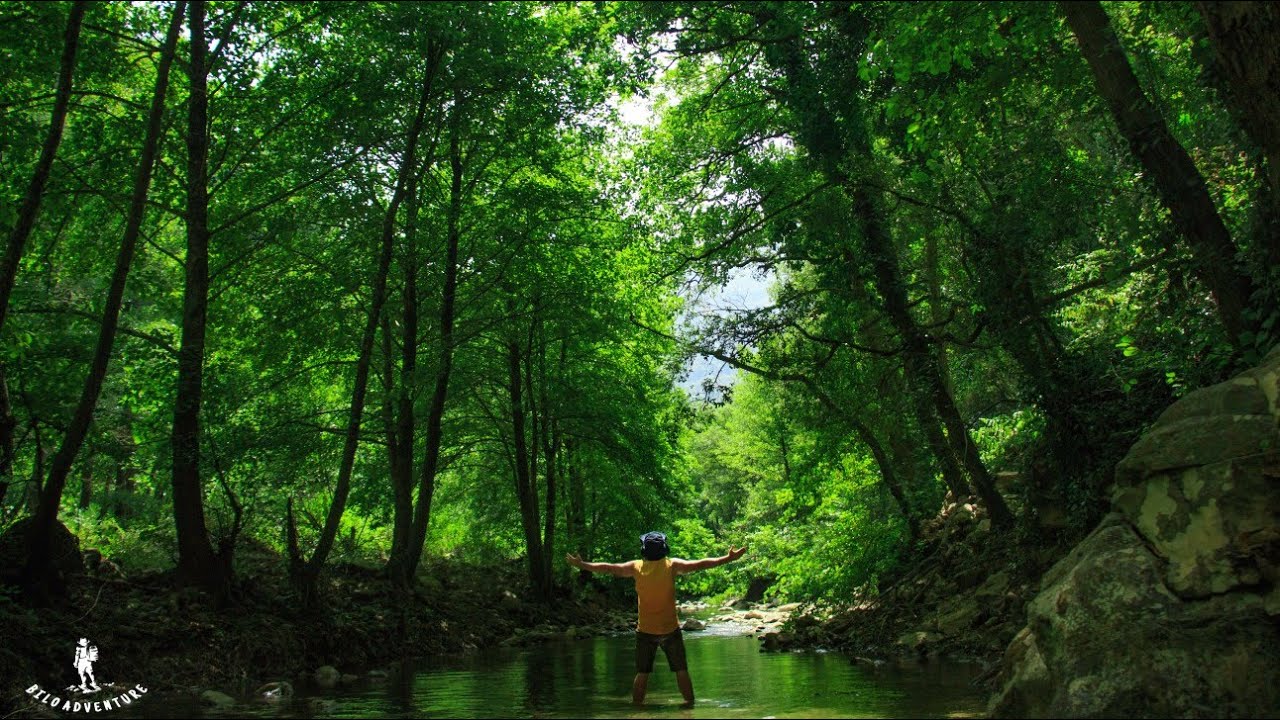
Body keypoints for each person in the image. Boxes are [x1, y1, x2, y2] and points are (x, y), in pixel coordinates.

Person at [566, 532, 747, 705]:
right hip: (670, 630)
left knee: (642, 672)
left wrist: (582, 565)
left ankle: (638, 711)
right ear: (664, 548)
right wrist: (728, 558)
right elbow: (700, 564)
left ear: (644, 550)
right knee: (681, 670)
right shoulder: (672, 565)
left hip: (645, 631)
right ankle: (689, 708)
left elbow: (607, 568)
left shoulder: (636, 567)